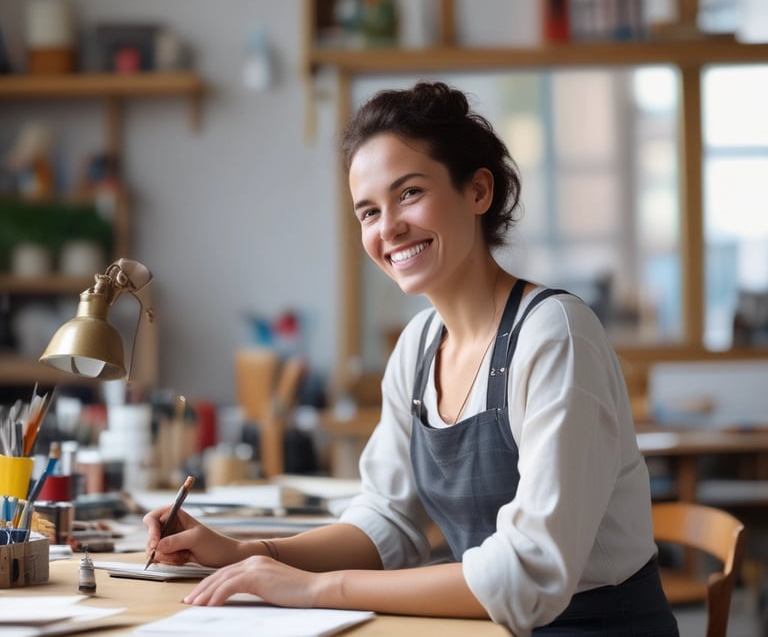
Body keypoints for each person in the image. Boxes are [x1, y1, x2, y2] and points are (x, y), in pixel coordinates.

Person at [144, 81, 679, 636]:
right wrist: (243, 552)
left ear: (477, 192)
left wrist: (316, 589)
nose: (388, 228)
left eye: (408, 194)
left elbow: (527, 573)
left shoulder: (554, 336)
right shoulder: (420, 345)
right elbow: (388, 523)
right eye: (368, 212)